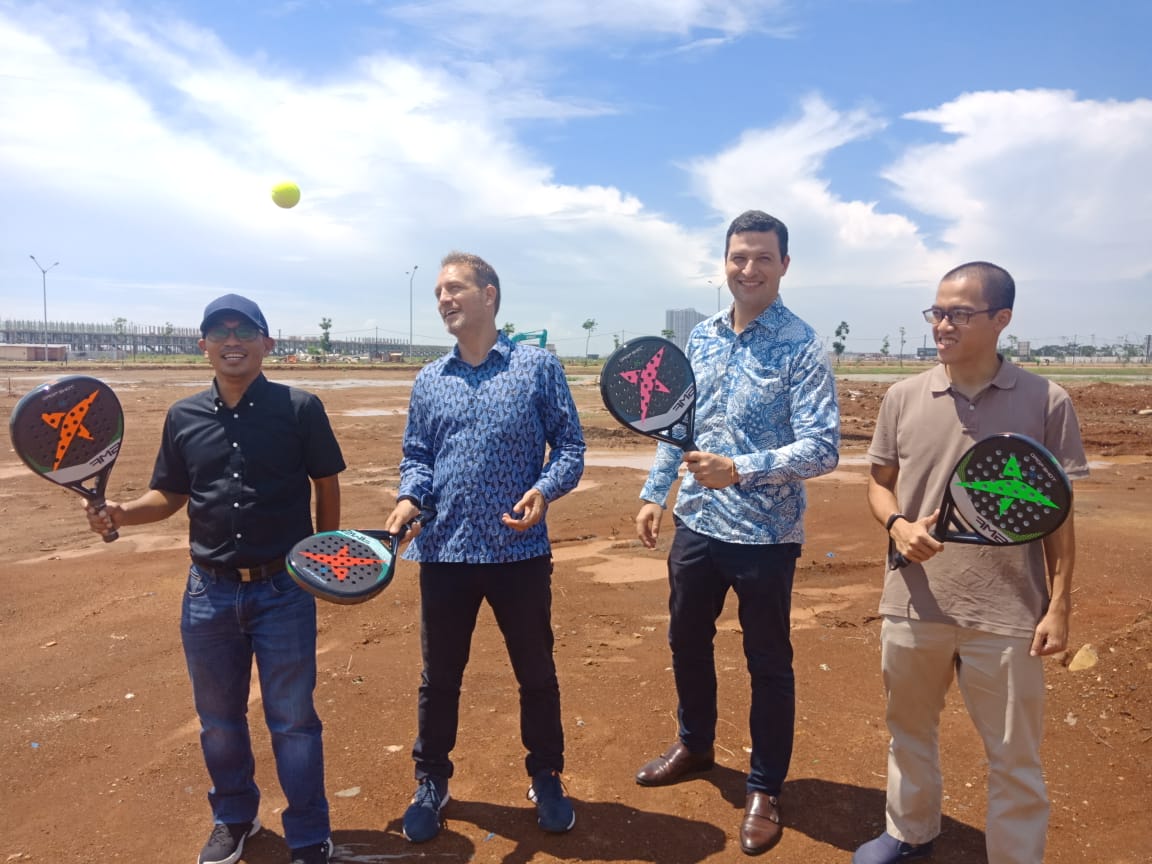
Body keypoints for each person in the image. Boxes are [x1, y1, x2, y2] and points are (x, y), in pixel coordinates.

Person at [84, 294, 345, 864]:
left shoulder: (300, 408)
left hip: (284, 588)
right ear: (203, 345)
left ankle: (308, 833)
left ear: (266, 343)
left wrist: (322, 558)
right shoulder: (183, 417)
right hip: (208, 593)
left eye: (245, 330)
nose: (232, 340)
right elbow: (170, 495)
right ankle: (235, 818)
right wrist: (123, 512)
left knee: (293, 721)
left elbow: (326, 483)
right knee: (219, 721)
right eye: (220, 332)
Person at [854, 262, 1087, 864]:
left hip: (1007, 612)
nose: (942, 324)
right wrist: (898, 525)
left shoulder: (1047, 401)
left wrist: (1059, 605)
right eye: (937, 312)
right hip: (913, 601)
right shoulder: (902, 397)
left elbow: (1058, 515)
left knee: (1014, 757)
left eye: (959, 313)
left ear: (1001, 319)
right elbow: (879, 483)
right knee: (909, 733)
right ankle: (910, 834)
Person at [633, 210, 840, 856]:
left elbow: (823, 447)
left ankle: (765, 787)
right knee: (686, 640)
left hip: (766, 535)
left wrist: (740, 469)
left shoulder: (803, 345)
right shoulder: (701, 339)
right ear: (725, 262)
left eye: (762, 258)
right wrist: (655, 492)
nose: (749, 269)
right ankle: (696, 744)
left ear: (784, 265)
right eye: (738, 257)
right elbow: (677, 424)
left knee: (768, 662)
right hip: (697, 523)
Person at [384, 252, 585, 843]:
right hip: (444, 551)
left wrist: (544, 490)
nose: (444, 299)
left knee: (535, 671)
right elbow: (418, 456)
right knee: (439, 677)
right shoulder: (430, 379)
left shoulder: (536, 367)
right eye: (439, 292)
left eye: (455, 289)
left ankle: (546, 775)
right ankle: (432, 780)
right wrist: (409, 497)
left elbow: (570, 446)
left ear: (489, 295)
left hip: (518, 551)